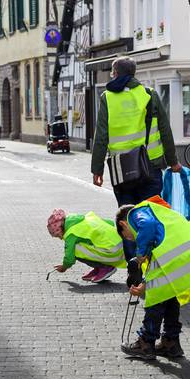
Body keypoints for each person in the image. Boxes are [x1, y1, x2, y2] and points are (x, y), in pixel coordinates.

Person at [91, 56, 181, 262]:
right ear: (133, 74)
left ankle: (134, 267)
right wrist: (173, 161)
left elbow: (101, 135)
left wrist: (97, 169)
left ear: (115, 74)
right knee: (150, 216)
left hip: (122, 171)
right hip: (150, 167)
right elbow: (165, 130)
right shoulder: (149, 95)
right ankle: (154, 264)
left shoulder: (107, 98)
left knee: (127, 219)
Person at [116, 198, 190, 360]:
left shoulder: (137, 213)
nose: (132, 239)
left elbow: (147, 225)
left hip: (173, 256)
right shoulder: (158, 211)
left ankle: (146, 342)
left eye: (128, 237)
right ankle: (171, 343)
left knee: (155, 299)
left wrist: (140, 254)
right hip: (184, 254)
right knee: (170, 298)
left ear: (123, 224)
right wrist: (145, 283)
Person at [47, 208, 126, 283]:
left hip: (113, 252)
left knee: (76, 250)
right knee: (84, 244)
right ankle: (99, 268)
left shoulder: (71, 233)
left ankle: (105, 267)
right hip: (120, 244)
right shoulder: (79, 219)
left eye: (58, 235)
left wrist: (64, 267)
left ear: (60, 229)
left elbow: (69, 258)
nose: (60, 238)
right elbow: (110, 222)